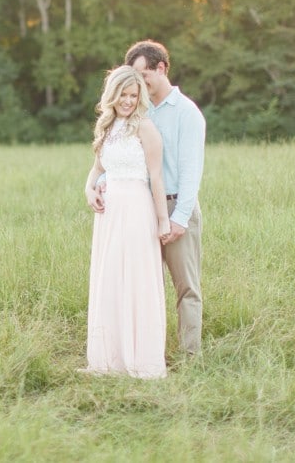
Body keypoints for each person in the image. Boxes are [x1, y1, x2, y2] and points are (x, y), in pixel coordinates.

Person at [82, 65, 173, 379]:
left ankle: (140, 360)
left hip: (136, 209)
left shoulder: (145, 128)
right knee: (109, 279)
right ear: (113, 94)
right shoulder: (106, 126)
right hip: (109, 215)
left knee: (134, 280)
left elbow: (156, 177)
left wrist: (163, 221)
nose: (129, 101)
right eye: (124, 94)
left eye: (134, 95)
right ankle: (108, 360)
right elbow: (97, 168)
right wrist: (89, 189)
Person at [124, 40, 206, 357]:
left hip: (175, 206)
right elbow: (124, 155)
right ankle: (148, 354)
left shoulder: (187, 113)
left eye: (143, 76)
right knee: (145, 285)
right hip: (141, 207)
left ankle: (190, 357)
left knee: (186, 288)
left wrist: (179, 218)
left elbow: (191, 171)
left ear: (161, 69)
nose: (138, 84)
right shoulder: (137, 111)